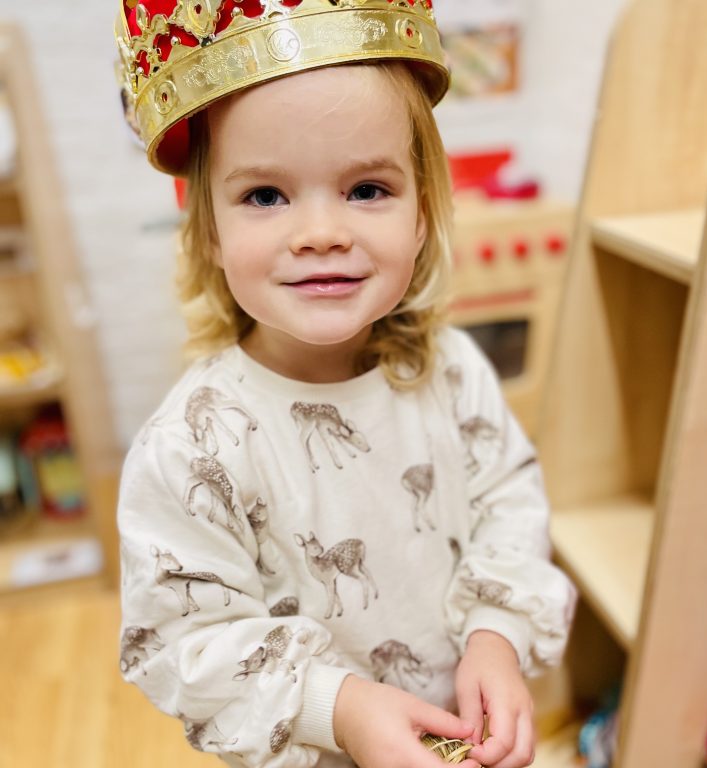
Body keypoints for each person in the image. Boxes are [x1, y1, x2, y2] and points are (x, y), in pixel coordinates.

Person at [115, 2, 577, 768]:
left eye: (367, 189)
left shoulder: (451, 371)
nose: (322, 231)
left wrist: (498, 636)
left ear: (423, 215)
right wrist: (342, 708)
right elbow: (181, 642)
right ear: (209, 234)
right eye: (265, 196)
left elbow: (509, 502)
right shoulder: (188, 448)